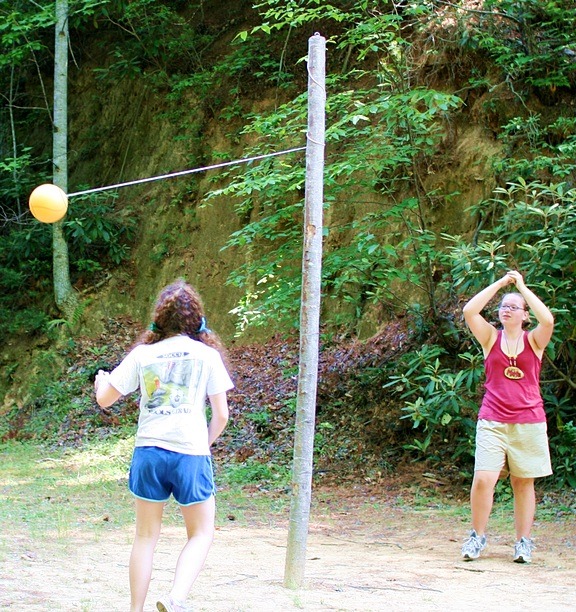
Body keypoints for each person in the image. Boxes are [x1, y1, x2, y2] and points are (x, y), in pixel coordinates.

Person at [94, 280, 233, 612]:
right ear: (195, 318)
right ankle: (176, 599)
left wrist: (102, 380)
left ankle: (135, 610)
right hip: (191, 454)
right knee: (201, 533)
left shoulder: (144, 354)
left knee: (145, 537)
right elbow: (222, 416)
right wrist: (203, 443)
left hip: (149, 452)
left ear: (160, 317)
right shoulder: (207, 355)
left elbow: (105, 400)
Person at [461, 270, 554, 564]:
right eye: (503, 306)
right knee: (483, 479)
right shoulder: (490, 338)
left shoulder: (534, 341)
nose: (507, 310)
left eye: (514, 307)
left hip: (529, 421)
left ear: (525, 315)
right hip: (493, 419)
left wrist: (522, 288)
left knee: (523, 483)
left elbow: (548, 320)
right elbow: (469, 310)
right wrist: (501, 284)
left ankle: (523, 542)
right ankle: (477, 537)